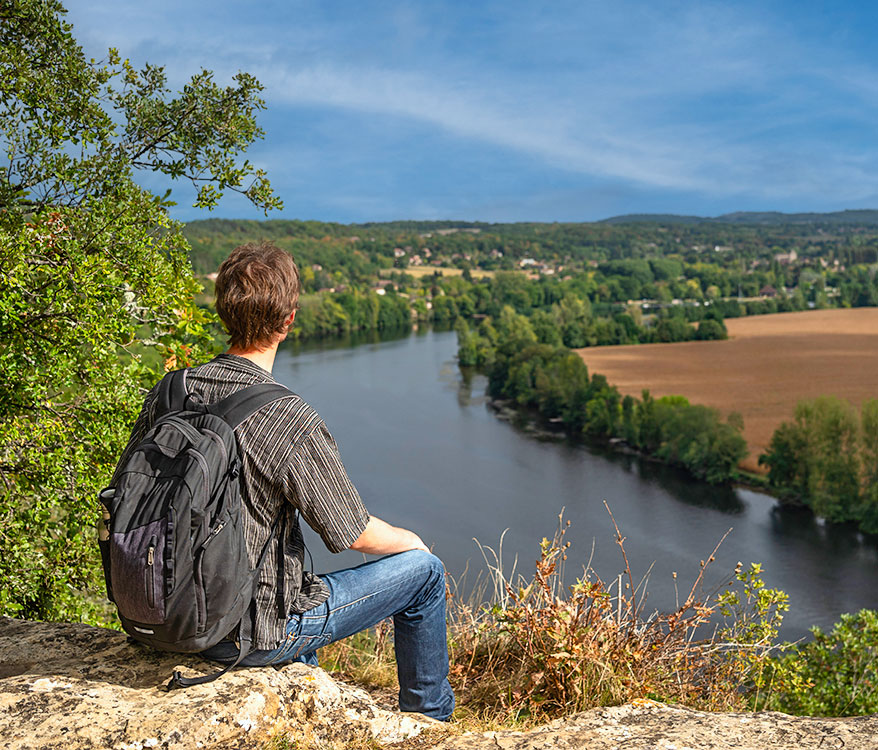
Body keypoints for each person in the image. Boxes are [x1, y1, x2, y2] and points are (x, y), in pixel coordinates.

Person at [115, 241, 454, 720]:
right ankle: (431, 721)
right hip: (251, 636)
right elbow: (349, 531)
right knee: (425, 573)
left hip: (160, 616)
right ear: (289, 319)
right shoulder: (285, 417)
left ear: (223, 312)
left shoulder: (170, 391)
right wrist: (411, 541)